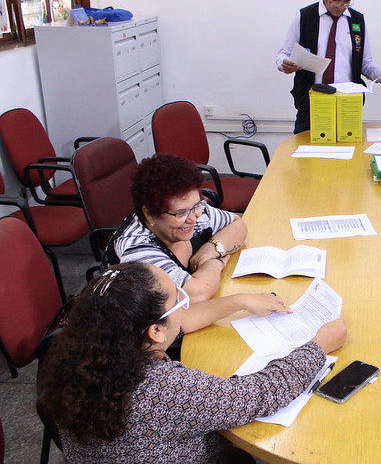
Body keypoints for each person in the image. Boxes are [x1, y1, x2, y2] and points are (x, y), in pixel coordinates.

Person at [37, 262, 348, 462]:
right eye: (177, 301)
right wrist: (317, 347)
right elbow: (261, 393)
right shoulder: (161, 388)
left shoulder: (77, 353)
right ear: (156, 331)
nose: (183, 305)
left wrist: (237, 301)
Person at [276, 0, 381, 134]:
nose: (340, 7)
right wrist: (284, 63)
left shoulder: (357, 21)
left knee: (348, 158)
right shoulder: (305, 17)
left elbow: (364, 63)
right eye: (336, 0)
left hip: (348, 107)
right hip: (311, 106)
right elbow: (284, 53)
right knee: (307, 158)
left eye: (347, 2)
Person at [106, 153, 247, 303]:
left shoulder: (194, 211)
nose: (193, 218)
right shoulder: (137, 249)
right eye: (180, 213)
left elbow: (237, 224)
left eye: (196, 205)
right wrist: (215, 261)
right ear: (150, 214)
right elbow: (197, 293)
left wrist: (212, 249)